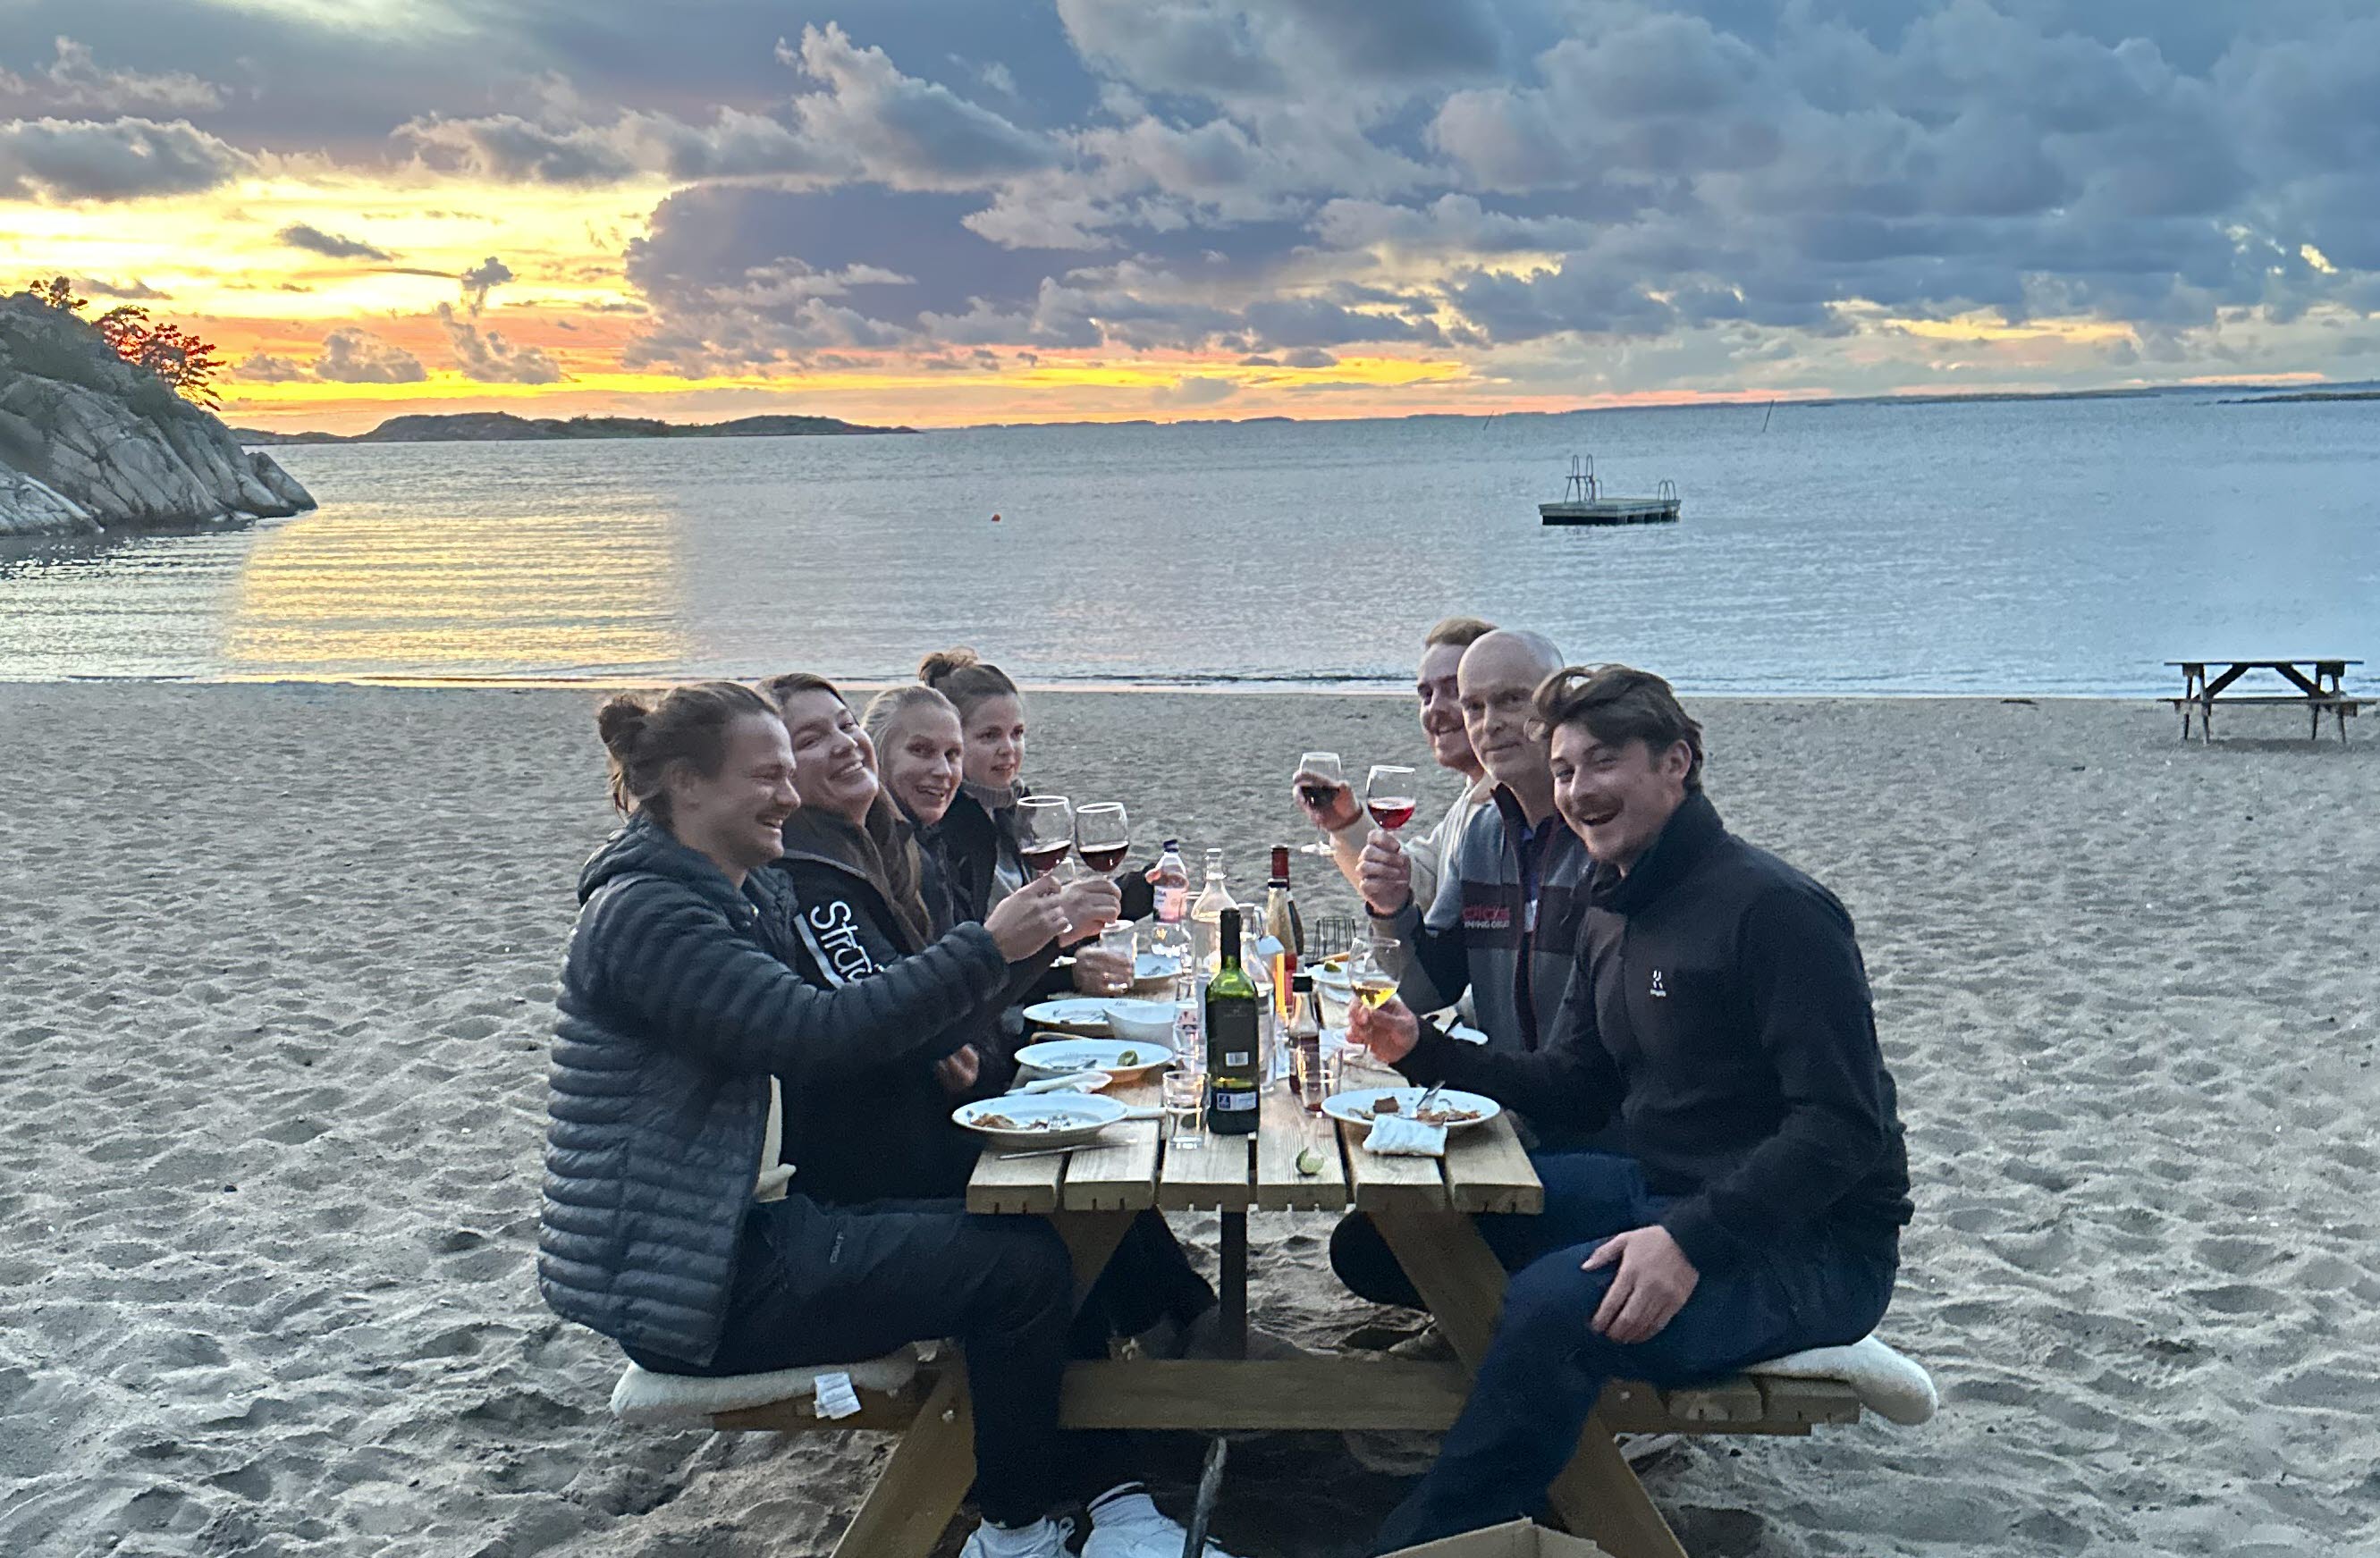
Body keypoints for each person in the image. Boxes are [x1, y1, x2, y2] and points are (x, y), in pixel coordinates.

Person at [1341, 666, 1912, 1553]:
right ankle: (1530, 1403)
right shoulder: (1612, 906)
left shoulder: (1776, 911)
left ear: (1675, 762)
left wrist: (1687, 1243)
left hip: (1812, 1244)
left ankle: (1431, 1540)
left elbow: (1842, 1127)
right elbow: (1575, 1081)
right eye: (1564, 770)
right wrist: (1422, 1049)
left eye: (1602, 762)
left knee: (1551, 1310)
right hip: (1660, 1187)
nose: (1577, 791)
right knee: (1386, 1235)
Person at [538, 681, 1089, 1558]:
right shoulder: (650, 916)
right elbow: (814, 1033)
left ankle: (1096, 1472)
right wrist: (988, 946)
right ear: (686, 785)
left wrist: (992, 970)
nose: (789, 796)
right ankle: (1018, 1532)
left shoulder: (733, 892)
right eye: (767, 776)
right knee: (1018, 1270)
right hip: (694, 1288)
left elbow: (868, 1011)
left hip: (737, 1234)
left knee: (1031, 1222)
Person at [763, 673, 1242, 1556]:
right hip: (865, 1167)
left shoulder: (872, 852)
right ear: (773, 770)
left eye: (844, 725)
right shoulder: (813, 877)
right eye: (810, 737)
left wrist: (970, 1015)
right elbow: (896, 1019)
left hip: (920, 1123)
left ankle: (1172, 1365)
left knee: (1084, 1163)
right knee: (1052, 1214)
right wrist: (975, 999)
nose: (844, 745)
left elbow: (944, 1010)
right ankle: (1110, 1499)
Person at [1358, 628, 1592, 1058]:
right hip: (1504, 1091)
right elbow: (1427, 989)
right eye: (1474, 707)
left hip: (1593, 1097)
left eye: (1512, 699)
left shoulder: (1602, 832)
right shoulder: (1483, 834)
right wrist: (1392, 910)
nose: (1490, 723)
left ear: (1561, 704)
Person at [1292, 615, 1498, 917]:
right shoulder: (1473, 797)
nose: (1434, 709)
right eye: (1426, 695)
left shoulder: (1514, 802)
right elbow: (1418, 884)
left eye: (1453, 690)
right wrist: (1345, 822)